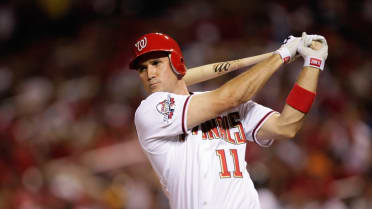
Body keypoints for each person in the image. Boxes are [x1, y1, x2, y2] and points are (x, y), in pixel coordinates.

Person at [130, 32, 328, 209]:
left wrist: (313, 64)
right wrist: (281, 55)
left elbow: (286, 126)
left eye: (156, 63)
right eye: (142, 69)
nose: (149, 74)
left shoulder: (227, 105)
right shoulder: (151, 111)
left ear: (176, 62)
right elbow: (229, 98)